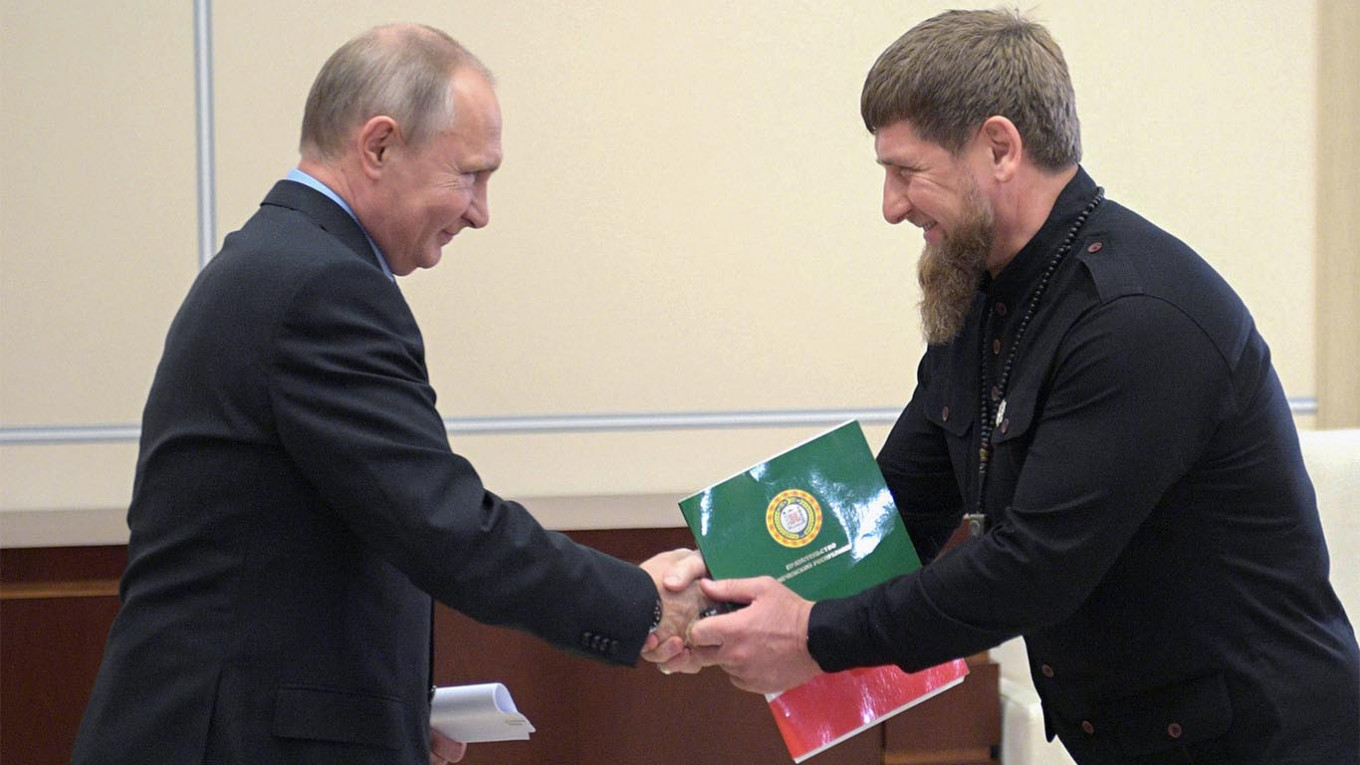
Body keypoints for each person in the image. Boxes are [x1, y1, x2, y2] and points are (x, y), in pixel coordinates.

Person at [658, 9, 1360, 764]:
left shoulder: (1136, 318)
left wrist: (810, 634)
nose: (891, 207)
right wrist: (711, 598)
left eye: (907, 172)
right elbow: (891, 510)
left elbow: (1031, 571)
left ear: (999, 148)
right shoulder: (983, 295)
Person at [72, 24, 704, 765]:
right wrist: (643, 603)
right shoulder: (322, 286)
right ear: (378, 146)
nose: (480, 211)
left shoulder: (278, 260)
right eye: (470, 174)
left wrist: (389, 714)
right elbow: (444, 525)